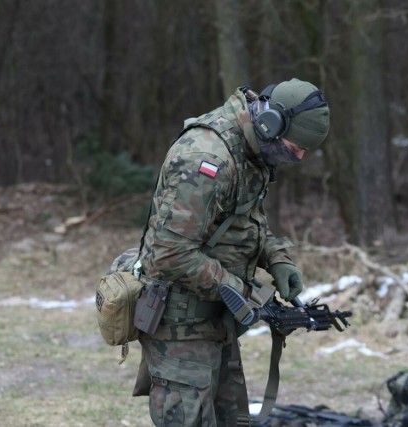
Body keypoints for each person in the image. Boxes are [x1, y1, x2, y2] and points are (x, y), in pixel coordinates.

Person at [135, 78, 330, 426]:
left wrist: (277, 258)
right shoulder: (206, 159)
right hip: (179, 321)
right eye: (295, 145)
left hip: (215, 315)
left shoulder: (250, 150)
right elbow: (169, 252)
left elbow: (244, 219)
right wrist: (243, 293)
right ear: (271, 123)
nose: (298, 156)